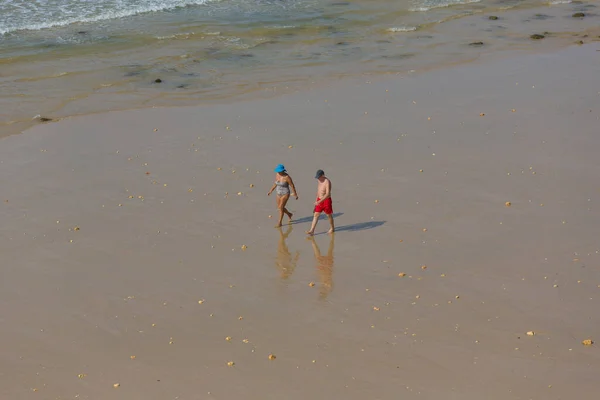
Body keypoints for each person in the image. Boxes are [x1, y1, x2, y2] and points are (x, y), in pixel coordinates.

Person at [306, 169, 334, 235]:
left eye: (319, 177)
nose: (318, 178)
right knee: (316, 214)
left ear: (323, 175)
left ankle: (332, 228)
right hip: (319, 200)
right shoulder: (319, 180)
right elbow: (318, 191)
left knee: (328, 215)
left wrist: (319, 201)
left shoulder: (327, 182)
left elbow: (327, 194)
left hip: (326, 200)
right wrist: (316, 201)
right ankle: (311, 230)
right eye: (317, 177)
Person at [308, 235, 335, 300]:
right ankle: (314, 243)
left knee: (324, 255)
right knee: (327, 254)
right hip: (324, 269)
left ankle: (314, 243)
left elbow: (329, 282)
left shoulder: (326, 284)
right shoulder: (326, 284)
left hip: (324, 269)